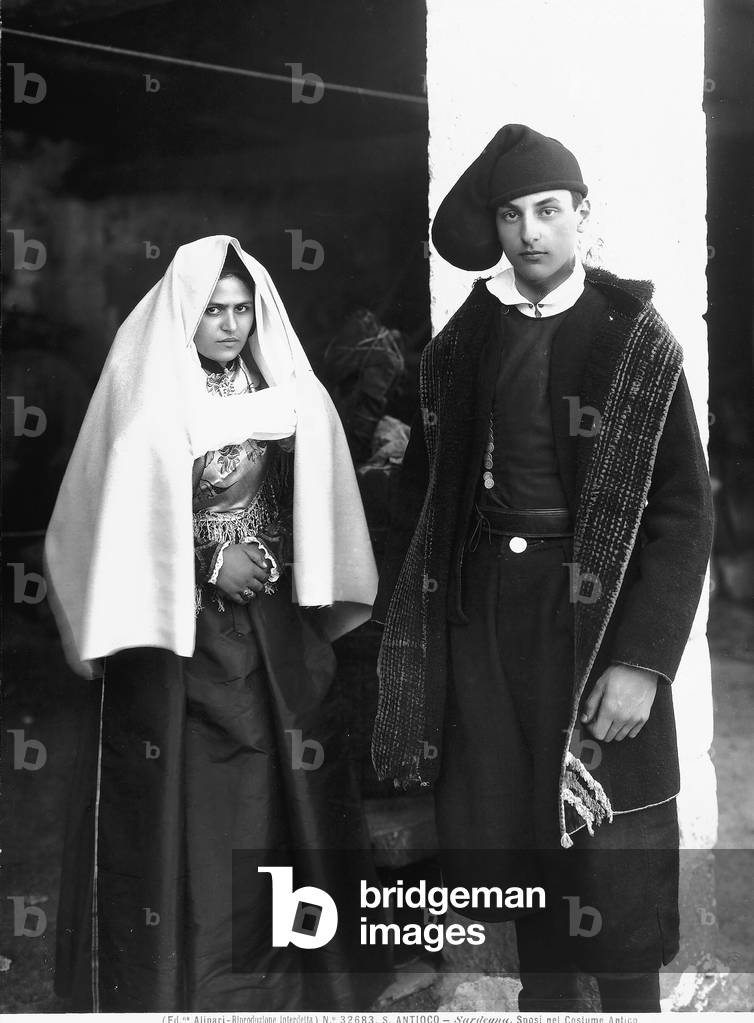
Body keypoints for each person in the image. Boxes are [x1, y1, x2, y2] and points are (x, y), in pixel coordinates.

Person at [371, 125, 714, 1012]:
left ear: (582, 217)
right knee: (521, 840)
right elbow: (423, 504)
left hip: (595, 616)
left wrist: (643, 661)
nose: (531, 232)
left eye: (549, 211)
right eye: (512, 214)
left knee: (613, 846)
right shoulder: (463, 344)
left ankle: (634, 1003)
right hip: (488, 617)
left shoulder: (634, 338)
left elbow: (684, 511)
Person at [45, 236, 384, 1011]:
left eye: (240, 310)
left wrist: (273, 548)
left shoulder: (279, 384)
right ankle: (190, 982)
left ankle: (291, 981)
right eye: (212, 310)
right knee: (196, 799)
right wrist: (207, 560)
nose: (229, 325)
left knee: (283, 785)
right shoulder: (146, 395)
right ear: (183, 315)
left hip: (267, 622)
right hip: (175, 629)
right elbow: (122, 513)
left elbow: (313, 478)